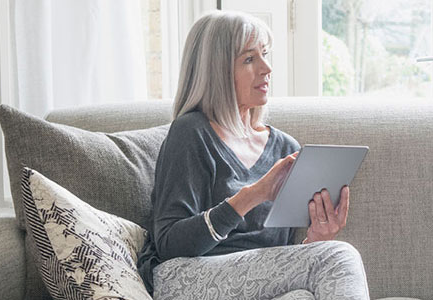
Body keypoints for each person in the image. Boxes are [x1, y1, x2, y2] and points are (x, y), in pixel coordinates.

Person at [135, 11, 369, 300]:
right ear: (216, 71)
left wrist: (315, 240)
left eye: (265, 54)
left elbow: (278, 260)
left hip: (253, 286)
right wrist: (253, 195)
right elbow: (171, 243)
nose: (267, 68)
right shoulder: (191, 132)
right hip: (185, 277)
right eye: (249, 59)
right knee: (338, 257)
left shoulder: (284, 148)